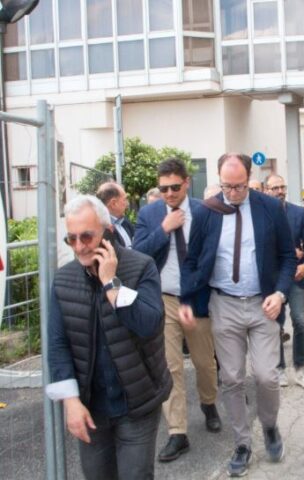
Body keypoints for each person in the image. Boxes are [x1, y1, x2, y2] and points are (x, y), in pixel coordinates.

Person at [182, 153, 296, 477]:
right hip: (224, 304)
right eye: (226, 186)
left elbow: (288, 257)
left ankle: (270, 426)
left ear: (249, 179)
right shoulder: (206, 212)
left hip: (264, 304)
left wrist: (280, 293)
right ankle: (242, 443)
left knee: (266, 376)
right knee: (231, 378)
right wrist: (187, 300)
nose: (232, 193)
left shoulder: (270, 207)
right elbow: (192, 261)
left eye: (239, 186)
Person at [46, 195, 171, 480]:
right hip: (91, 407)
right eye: (71, 239)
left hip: (137, 402)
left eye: (87, 237)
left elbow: (149, 324)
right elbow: (58, 344)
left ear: (108, 232)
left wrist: (111, 284)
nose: (79, 246)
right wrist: (70, 401)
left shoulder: (141, 266)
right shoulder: (64, 280)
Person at [134, 158, 221, 463]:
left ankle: (209, 403)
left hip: (196, 300)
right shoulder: (149, 214)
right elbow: (137, 254)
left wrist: (192, 296)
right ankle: (177, 432)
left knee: (204, 362)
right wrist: (163, 229)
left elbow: (212, 257)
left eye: (174, 187)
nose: (169, 193)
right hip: (164, 299)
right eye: (163, 189)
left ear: (186, 182)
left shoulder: (205, 211)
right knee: (169, 367)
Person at [265, 173, 304, 390]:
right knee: (275, 325)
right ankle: (279, 368)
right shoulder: (262, 213)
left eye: (282, 187)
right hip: (274, 278)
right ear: (267, 191)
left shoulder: (298, 213)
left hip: (296, 276)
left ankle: (300, 368)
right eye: (275, 188)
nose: (280, 191)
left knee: (299, 321)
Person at [97, 182, 134, 247]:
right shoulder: (101, 229)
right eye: (125, 199)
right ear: (113, 203)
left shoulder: (125, 222)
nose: (127, 204)